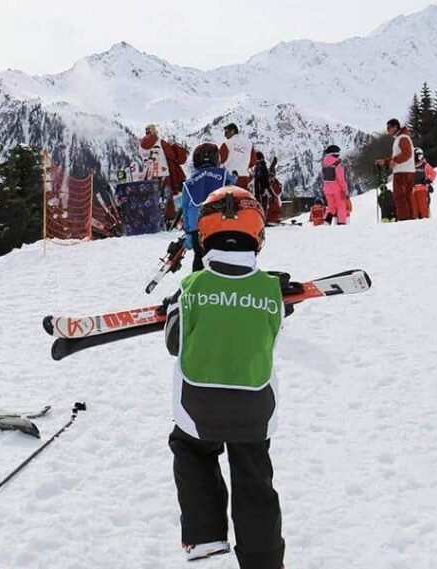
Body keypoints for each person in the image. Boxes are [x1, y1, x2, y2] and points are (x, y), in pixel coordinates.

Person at [162, 187, 286, 569]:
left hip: (199, 406)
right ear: (258, 235)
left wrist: (173, 311)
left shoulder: (191, 288)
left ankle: (204, 535)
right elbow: (271, 333)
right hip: (254, 406)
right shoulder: (270, 291)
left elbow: (173, 343)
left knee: (191, 449)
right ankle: (264, 560)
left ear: (204, 234)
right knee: (254, 478)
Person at [179, 143, 236, 271]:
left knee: (199, 256)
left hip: (196, 227)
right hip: (221, 225)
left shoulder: (189, 183)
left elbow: (185, 208)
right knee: (222, 256)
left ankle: (198, 286)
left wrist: (188, 232)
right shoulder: (224, 176)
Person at [139, 123, 189, 222]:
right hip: (163, 173)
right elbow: (173, 156)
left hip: (148, 175)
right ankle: (168, 219)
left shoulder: (141, 145)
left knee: (152, 197)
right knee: (167, 198)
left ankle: (153, 218)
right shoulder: (160, 142)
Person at [375, 119, 415, 221]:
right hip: (407, 170)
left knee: (399, 196)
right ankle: (410, 218)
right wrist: (386, 161)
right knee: (407, 196)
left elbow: (407, 153)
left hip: (402, 171)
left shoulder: (402, 138)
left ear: (395, 127)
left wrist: (394, 161)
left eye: (389, 128)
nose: (387, 130)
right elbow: (400, 155)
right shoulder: (403, 137)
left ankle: (404, 219)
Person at [220, 123, 256, 190]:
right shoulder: (249, 144)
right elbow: (253, 162)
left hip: (230, 177)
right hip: (244, 177)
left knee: (229, 198)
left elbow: (220, 160)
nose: (225, 135)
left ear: (232, 131)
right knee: (242, 197)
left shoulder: (227, 144)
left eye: (226, 132)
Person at [321, 145, 350, 225]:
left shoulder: (324, 164)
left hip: (327, 189)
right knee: (341, 206)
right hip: (339, 190)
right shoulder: (337, 164)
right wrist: (346, 191)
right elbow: (341, 179)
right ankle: (341, 223)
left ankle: (326, 222)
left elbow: (323, 177)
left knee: (331, 207)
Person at [411, 148, 437, 219]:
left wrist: (429, 180)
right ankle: (415, 218)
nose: (420, 158)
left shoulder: (425, 165)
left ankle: (425, 219)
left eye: (421, 156)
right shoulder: (410, 166)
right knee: (414, 207)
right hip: (412, 189)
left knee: (423, 205)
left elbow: (433, 173)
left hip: (422, 188)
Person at [266, 158, 283, 224]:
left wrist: (272, 183)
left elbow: (277, 192)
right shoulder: (267, 184)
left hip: (274, 209)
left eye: (272, 176)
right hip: (268, 211)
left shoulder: (277, 184)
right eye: (269, 176)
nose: (270, 178)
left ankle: (274, 219)